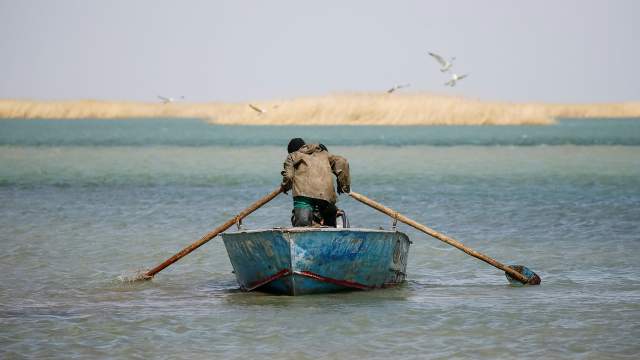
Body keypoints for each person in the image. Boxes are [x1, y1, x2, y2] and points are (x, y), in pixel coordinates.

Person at [281, 138, 350, 227]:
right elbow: (342, 162)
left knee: (303, 224)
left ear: (291, 151)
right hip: (326, 195)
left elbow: (289, 176)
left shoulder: (292, 156)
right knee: (330, 222)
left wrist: (285, 186)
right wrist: (344, 185)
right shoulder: (323, 153)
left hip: (303, 195)